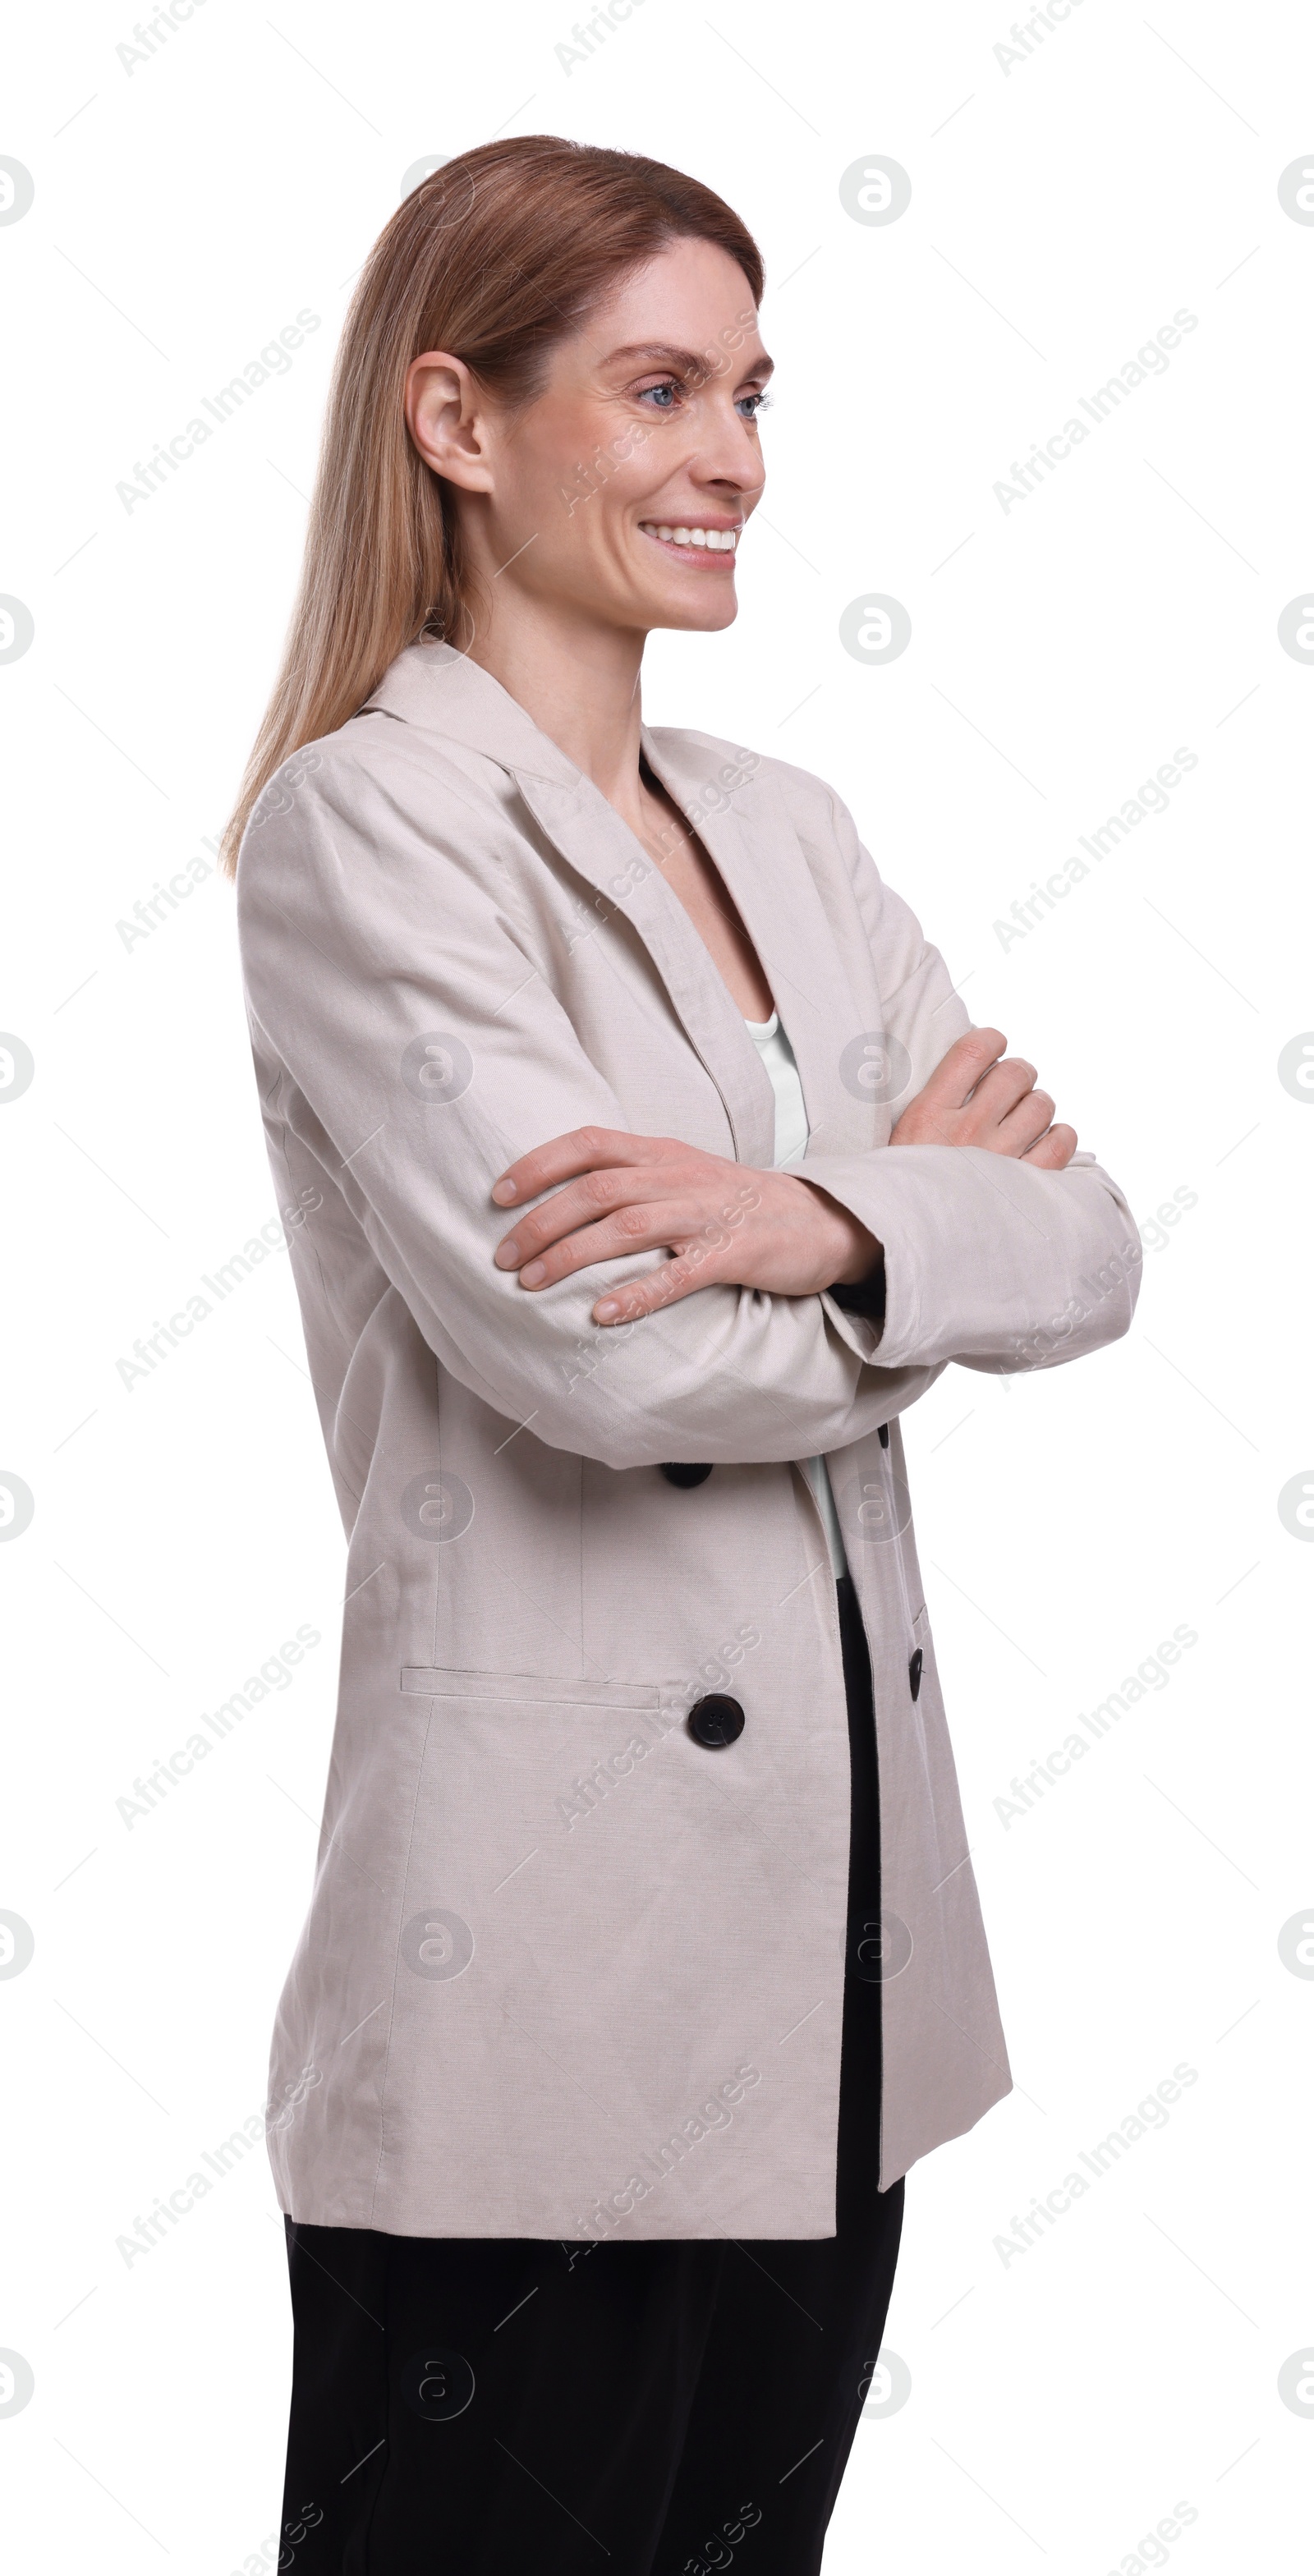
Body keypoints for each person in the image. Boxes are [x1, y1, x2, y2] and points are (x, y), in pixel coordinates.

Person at [226, 135, 1141, 2575]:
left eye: (750, 390)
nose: (733, 455)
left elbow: (1091, 1240)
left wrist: (806, 1218)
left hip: (831, 2007)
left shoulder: (788, 822)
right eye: (656, 387)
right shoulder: (370, 831)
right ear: (458, 419)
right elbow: (603, 1368)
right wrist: (902, 1246)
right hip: (538, 2013)